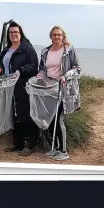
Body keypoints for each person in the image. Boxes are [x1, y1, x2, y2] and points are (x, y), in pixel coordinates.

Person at [0, 20, 39, 156]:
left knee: (25, 114)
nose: (13, 34)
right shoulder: (6, 50)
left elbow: (34, 66)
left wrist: (21, 71)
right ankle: (17, 142)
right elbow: (1, 65)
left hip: (23, 86)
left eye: (16, 32)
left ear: (21, 33)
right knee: (13, 114)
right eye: (11, 32)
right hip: (7, 87)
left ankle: (29, 144)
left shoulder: (27, 49)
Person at [36, 25, 81, 162]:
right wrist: (40, 75)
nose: (56, 37)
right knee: (49, 120)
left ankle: (64, 151)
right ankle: (54, 148)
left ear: (63, 36)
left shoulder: (69, 50)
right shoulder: (45, 51)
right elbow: (43, 69)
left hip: (63, 90)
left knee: (57, 118)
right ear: (51, 36)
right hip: (48, 90)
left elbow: (77, 69)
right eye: (54, 34)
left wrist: (65, 76)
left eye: (59, 35)